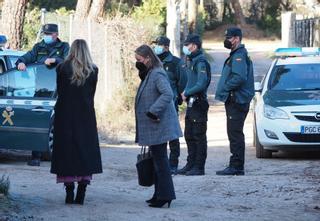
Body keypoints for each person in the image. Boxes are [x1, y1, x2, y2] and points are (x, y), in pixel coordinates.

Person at [50, 39, 102, 205]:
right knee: (84, 151)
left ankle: (69, 190)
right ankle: (82, 190)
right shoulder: (93, 70)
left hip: (65, 115)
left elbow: (60, 91)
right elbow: (92, 93)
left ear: (71, 50)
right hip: (85, 115)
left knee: (67, 151)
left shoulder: (62, 68)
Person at [134, 44, 182, 208]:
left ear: (148, 58)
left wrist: (154, 111)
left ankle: (165, 196)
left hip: (159, 124)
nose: (137, 62)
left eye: (139, 60)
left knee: (161, 161)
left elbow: (168, 93)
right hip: (155, 125)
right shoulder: (150, 73)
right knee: (157, 160)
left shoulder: (157, 73)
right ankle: (159, 194)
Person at [16, 23, 70, 167]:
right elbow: (27, 57)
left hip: (59, 91)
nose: (46, 36)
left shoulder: (64, 47)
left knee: (59, 125)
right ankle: (36, 156)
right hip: (42, 91)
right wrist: (21, 62)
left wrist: (55, 60)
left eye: (49, 34)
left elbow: (69, 62)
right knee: (38, 123)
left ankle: (60, 156)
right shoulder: (39, 47)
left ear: (56, 35)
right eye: (44, 34)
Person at [215, 27, 254, 176]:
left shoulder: (239, 55)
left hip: (237, 100)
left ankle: (237, 167)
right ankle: (235, 165)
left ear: (237, 39)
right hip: (236, 99)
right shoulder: (237, 54)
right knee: (234, 133)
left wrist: (225, 87)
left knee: (235, 133)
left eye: (230, 38)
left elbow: (239, 77)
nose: (227, 40)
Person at [177, 34, 211, 176]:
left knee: (198, 135)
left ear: (194, 46)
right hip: (191, 103)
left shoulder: (201, 61)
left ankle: (199, 167)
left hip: (198, 102)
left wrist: (187, 92)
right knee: (189, 134)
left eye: (188, 44)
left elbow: (201, 83)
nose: (185, 47)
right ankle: (190, 164)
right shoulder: (191, 60)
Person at [153, 36, 187, 174]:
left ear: (166, 47)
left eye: (159, 45)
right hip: (156, 105)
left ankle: (173, 164)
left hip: (170, 104)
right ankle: (159, 164)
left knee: (172, 135)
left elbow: (182, 82)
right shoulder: (154, 63)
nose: (156, 48)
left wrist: (177, 96)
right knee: (157, 135)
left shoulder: (175, 63)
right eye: (156, 45)